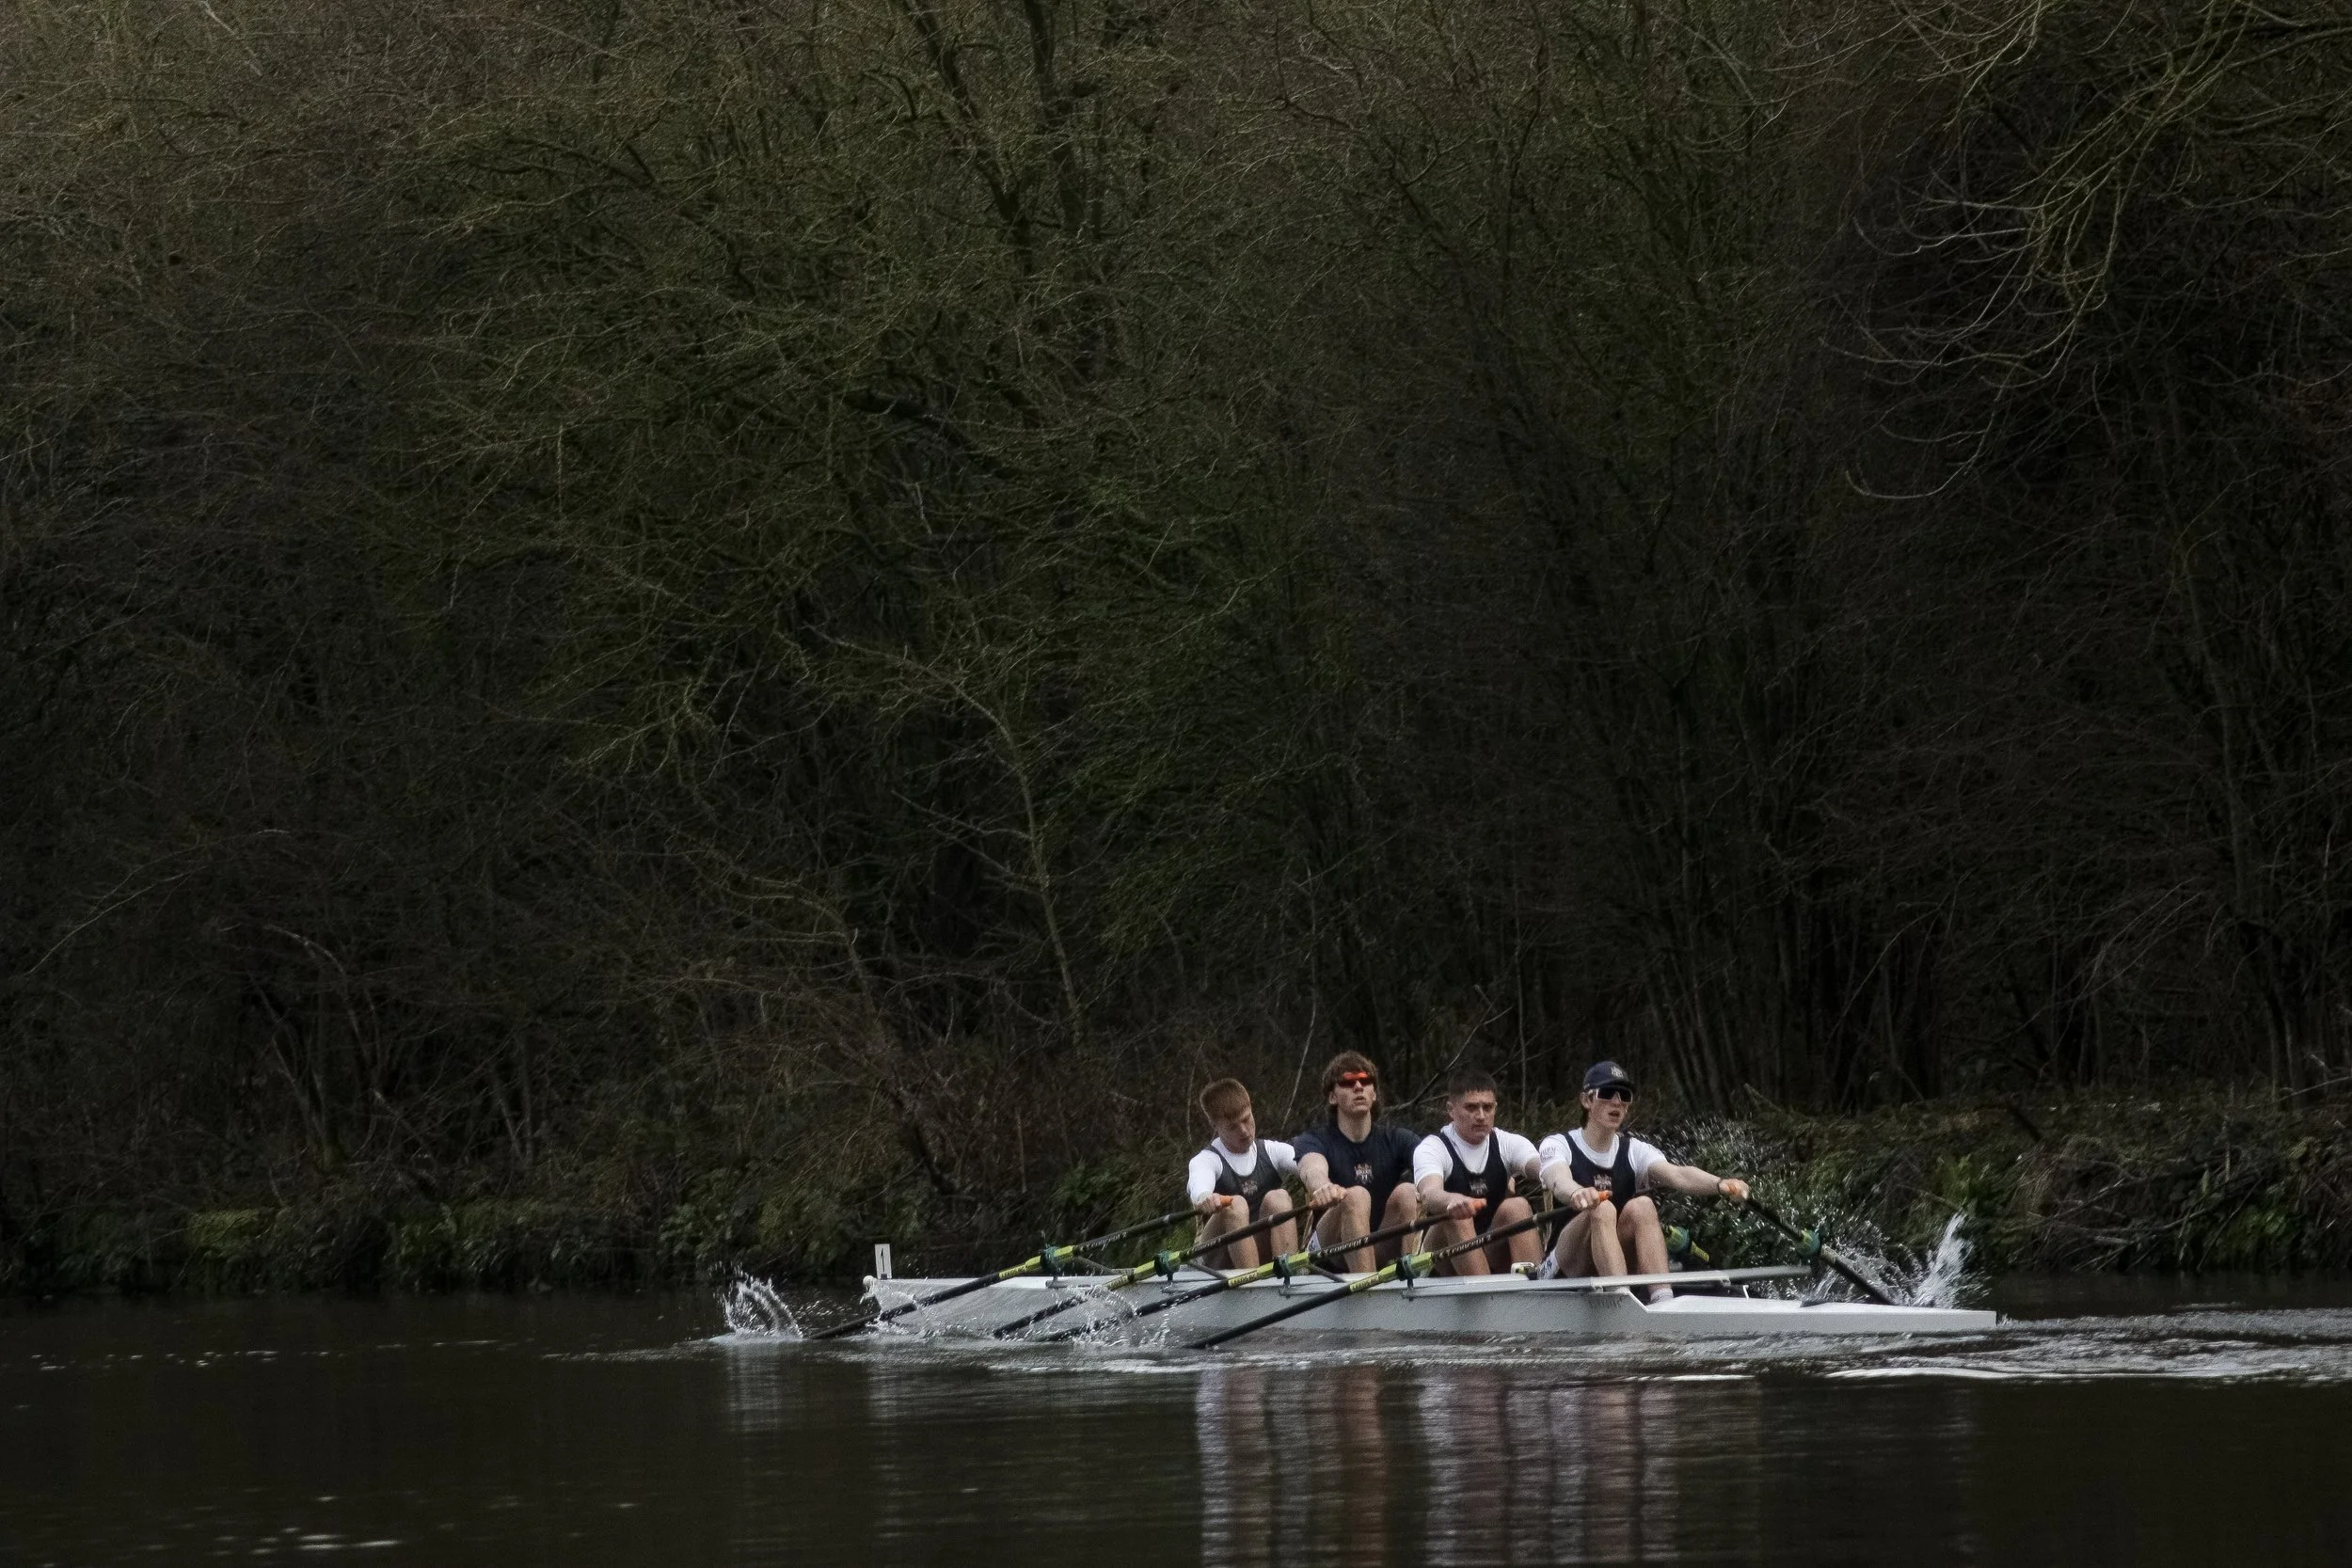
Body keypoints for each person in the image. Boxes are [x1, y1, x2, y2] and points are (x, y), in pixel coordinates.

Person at [1539, 1060, 1750, 1301]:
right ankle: (1622, 1299)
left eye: (1624, 1096)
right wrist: (1576, 1192)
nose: (1617, 1102)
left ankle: (1663, 1300)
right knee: (1602, 1206)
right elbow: (1557, 1179)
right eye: (1607, 1094)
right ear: (1587, 1101)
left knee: (1643, 1206)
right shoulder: (1558, 1144)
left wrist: (1720, 1184)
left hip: (1613, 1262)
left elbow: (1678, 1174)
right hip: (1564, 1267)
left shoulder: (1634, 1150)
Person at [1292, 1052, 1423, 1270]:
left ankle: (1411, 1280)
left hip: (1377, 1245)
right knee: (1356, 1196)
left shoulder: (1397, 1139)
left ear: (1374, 1095)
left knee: (1410, 1192)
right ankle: (1368, 1294)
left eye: (1365, 1081)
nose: (1358, 1087)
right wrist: (1322, 1187)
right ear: (1332, 1097)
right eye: (1347, 1082)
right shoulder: (1314, 1140)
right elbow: (1311, 1169)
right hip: (1327, 1251)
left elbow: (1432, 1167)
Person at [1412, 1068, 1545, 1275]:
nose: (1481, 1116)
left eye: (1487, 1107)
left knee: (1517, 1206)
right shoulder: (1433, 1147)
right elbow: (1429, 1193)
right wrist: (1451, 1200)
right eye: (1471, 1107)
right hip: (1439, 1257)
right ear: (1451, 1109)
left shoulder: (1507, 1143)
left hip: (1487, 1246)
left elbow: (1542, 1168)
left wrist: (1559, 1177)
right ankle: (1487, 1298)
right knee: (1457, 1216)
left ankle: (1535, 1292)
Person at [1186, 1077, 1300, 1267]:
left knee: (1279, 1198)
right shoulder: (1206, 1160)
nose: (1244, 1130)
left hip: (1260, 1248)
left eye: (1246, 1119)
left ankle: (1289, 1276)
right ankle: (1251, 1288)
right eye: (1232, 1127)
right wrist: (1205, 1197)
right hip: (1216, 1259)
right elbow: (1199, 1183)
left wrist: (1322, 1182)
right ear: (1215, 1126)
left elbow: (1308, 1164)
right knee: (1234, 1203)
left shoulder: (1272, 1151)